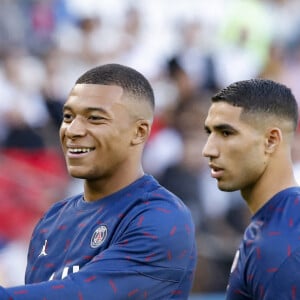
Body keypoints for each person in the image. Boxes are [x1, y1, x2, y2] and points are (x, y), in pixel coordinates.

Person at [0, 63, 197, 299]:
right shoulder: (53, 219)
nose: (72, 130)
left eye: (94, 118)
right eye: (68, 116)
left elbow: (84, 294)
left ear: (139, 132)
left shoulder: (161, 217)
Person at [202, 78, 300, 300]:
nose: (208, 150)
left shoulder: (284, 244)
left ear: (271, 140)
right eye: (209, 133)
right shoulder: (275, 223)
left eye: (226, 133)